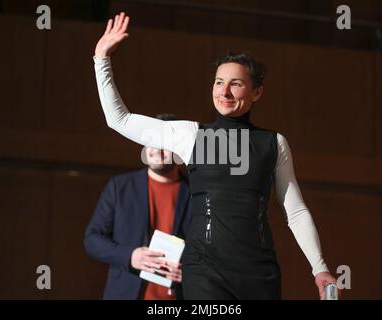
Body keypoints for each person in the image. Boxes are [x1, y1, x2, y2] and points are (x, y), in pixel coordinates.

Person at [92, 12, 338, 299]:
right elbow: (119, 119)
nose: (225, 91)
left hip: (259, 273)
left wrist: (319, 268)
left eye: (236, 83)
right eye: (219, 82)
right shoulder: (191, 135)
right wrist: (101, 59)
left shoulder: (273, 143)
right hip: (205, 271)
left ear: (257, 92)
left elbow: (294, 212)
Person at [84, 113, 192, 300]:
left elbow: (213, 251)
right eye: (151, 141)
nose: (156, 150)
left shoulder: (196, 194)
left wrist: (192, 272)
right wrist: (130, 256)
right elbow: (92, 239)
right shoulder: (120, 187)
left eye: (164, 144)